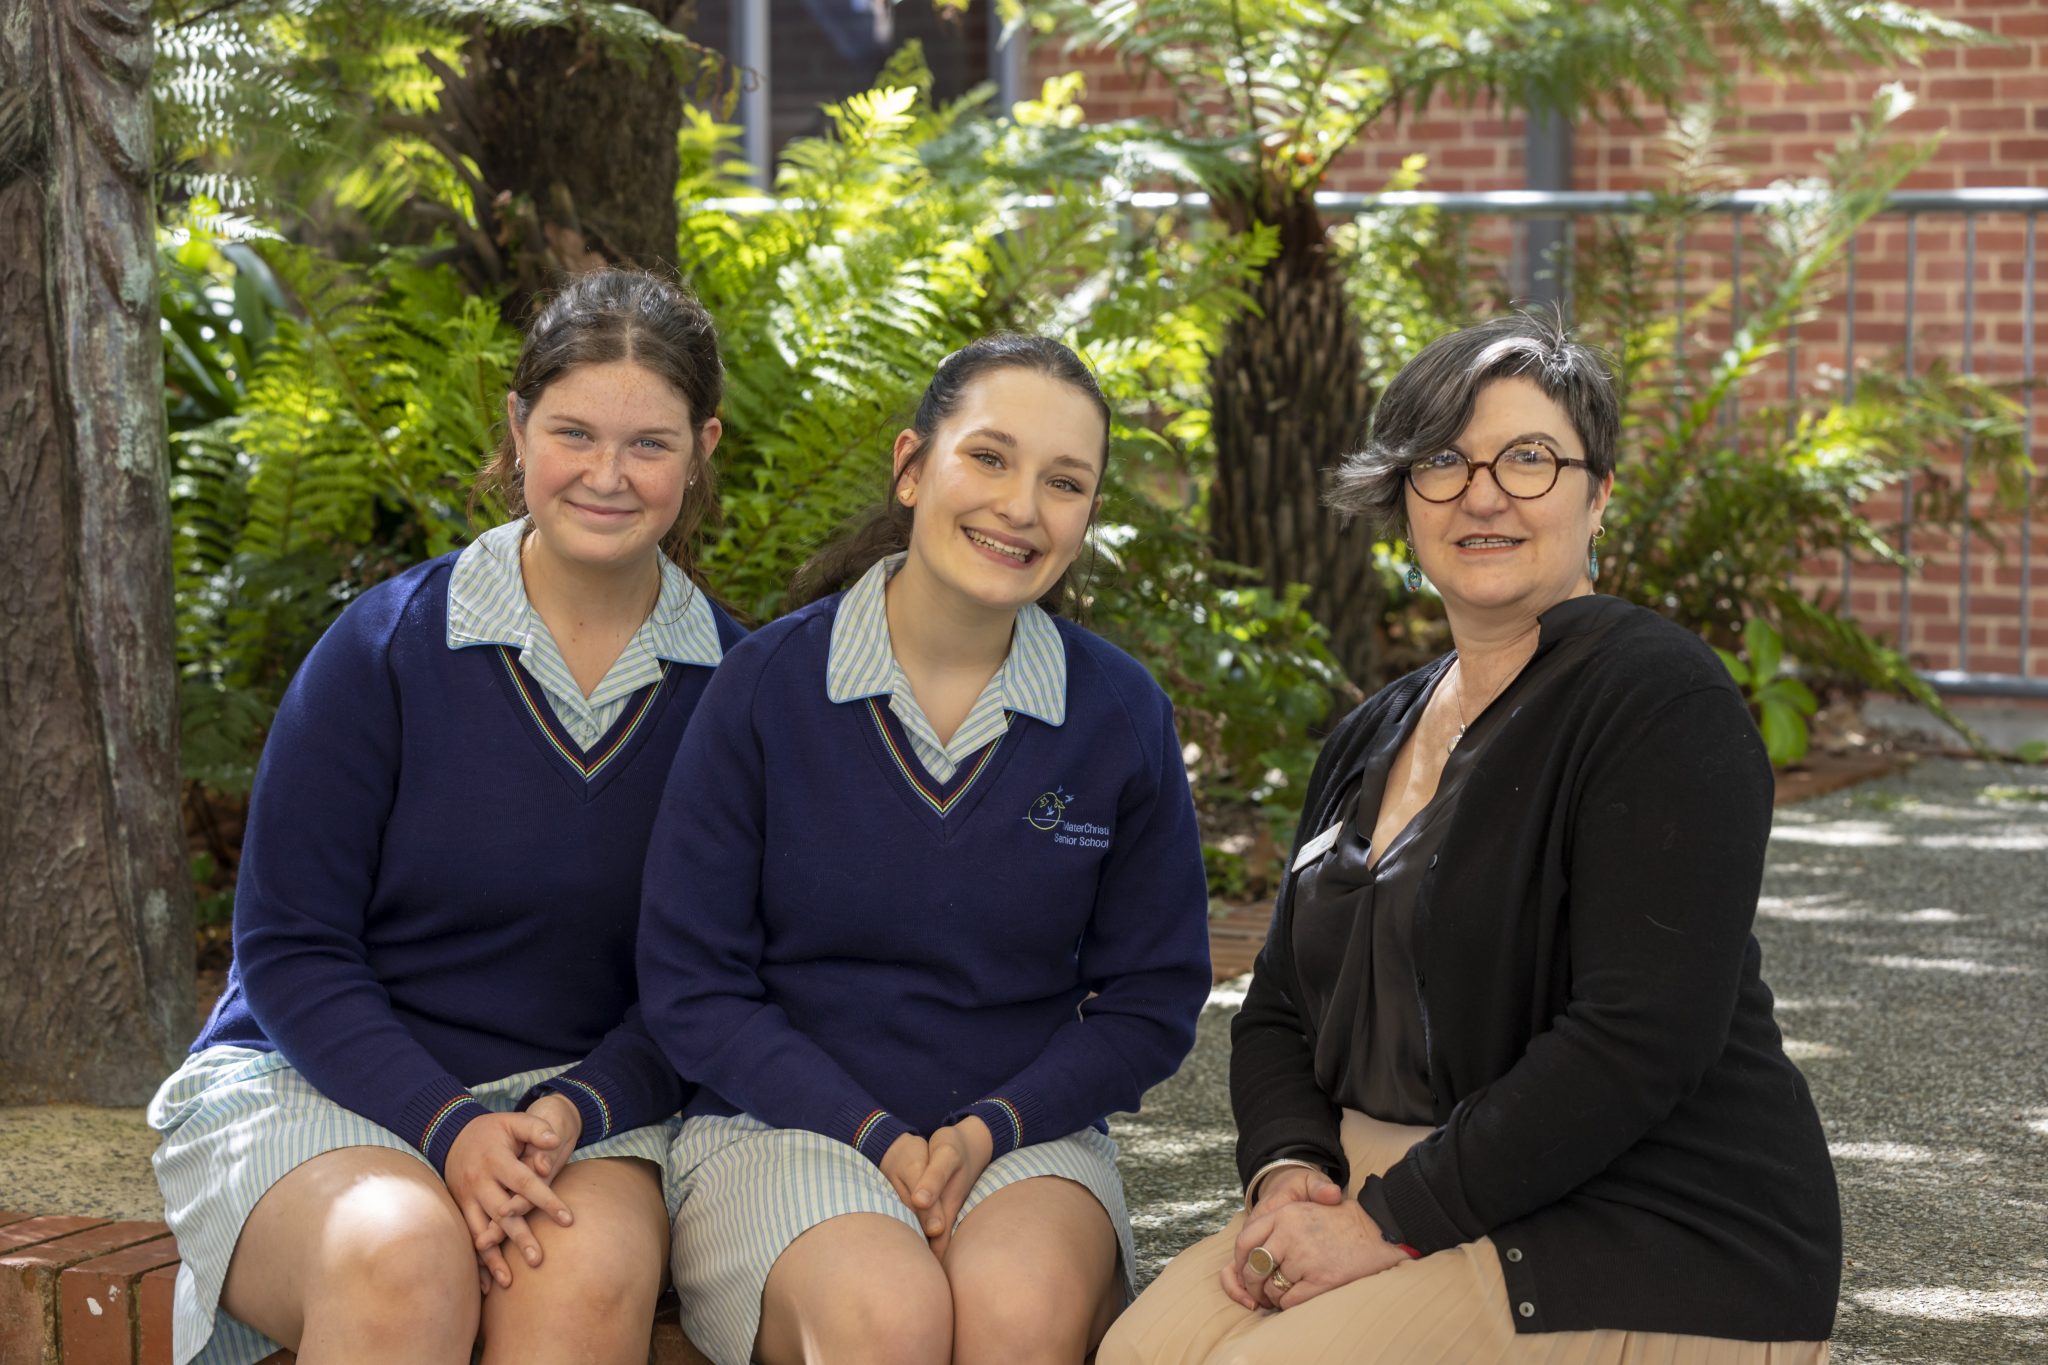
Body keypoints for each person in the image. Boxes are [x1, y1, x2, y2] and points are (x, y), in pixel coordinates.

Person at [1100, 313, 1841, 1365]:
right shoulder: (1373, 728)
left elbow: (1638, 1040)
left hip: (1636, 1217)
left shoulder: (1656, 697)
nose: (1481, 492)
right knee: (1137, 1352)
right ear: (1403, 495)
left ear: (1599, 495)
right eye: (1442, 459)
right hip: (1387, 1183)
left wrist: (1379, 1223)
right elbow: (1275, 1011)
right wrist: (1287, 1174)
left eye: (1528, 458)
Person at [148, 268, 744, 1365]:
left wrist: (568, 1112)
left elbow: (715, 983)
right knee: (398, 1256)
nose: (607, 476)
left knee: (582, 1280)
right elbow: (290, 950)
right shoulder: (383, 650)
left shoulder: (741, 692)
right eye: (573, 432)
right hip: (321, 1081)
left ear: (702, 447)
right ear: (516, 427)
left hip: (586, 1111)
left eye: (649, 444)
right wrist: (447, 1126)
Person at [636, 334, 1213, 1365]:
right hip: (783, 1128)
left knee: (1018, 1312)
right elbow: (692, 987)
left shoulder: (1118, 713)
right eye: (987, 458)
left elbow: (1151, 1000)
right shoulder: (765, 689)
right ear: (912, 467)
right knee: (883, 1318)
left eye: (1064, 481)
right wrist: (874, 1137)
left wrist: (989, 1127)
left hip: (1023, 1134)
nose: (1021, 506)